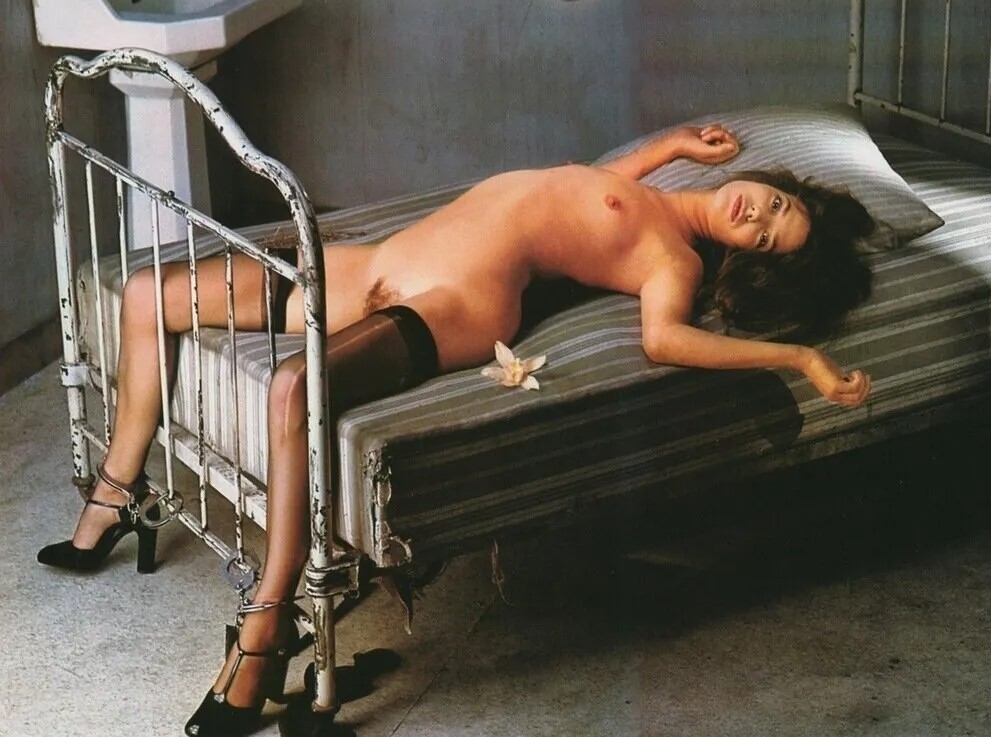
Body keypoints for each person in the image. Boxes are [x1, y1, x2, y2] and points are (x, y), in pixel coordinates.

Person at [37, 124, 875, 736]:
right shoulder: (646, 185)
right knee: (147, 298)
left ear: (751, 259)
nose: (754, 214)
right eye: (773, 202)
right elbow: (593, 188)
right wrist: (677, 146)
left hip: (461, 299)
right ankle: (114, 497)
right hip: (381, 265)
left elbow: (663, 338)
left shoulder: (676, 262)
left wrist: (800, 357)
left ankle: (269, 621)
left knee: (293, 389)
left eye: (765, 235)